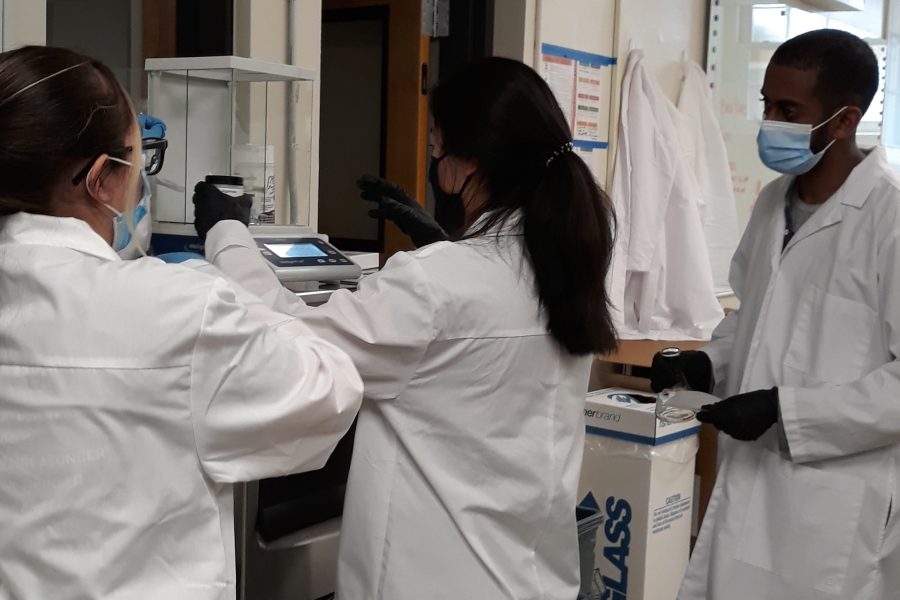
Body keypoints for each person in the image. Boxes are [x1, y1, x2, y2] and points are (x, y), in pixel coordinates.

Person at [193, 56, 618, 599]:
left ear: (468, 167)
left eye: (437, 148)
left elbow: (288, 335)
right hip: (528, 578)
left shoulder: (434, 285)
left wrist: (226, 232)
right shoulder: (566, 264)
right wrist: (444, 247)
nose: (434, 164)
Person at [0, 46, 363, 599]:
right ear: (101, 179)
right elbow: (327, 391)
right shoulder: (176, 308)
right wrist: (237, 295)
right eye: (137, 159)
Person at [650, 29, 900, 599]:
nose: (770, 121)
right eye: (767, 104)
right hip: (749, 478)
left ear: (844, 120)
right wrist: (706, 365)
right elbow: (752, 316)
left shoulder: (890, 219)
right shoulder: (772, 201)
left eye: (788, 110)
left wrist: (790, 412)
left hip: (830, 507)